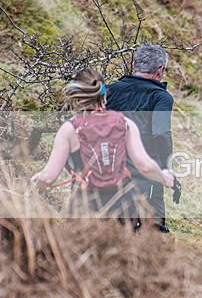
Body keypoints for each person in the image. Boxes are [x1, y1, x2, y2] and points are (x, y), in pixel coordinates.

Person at [31, 69, 175, 221]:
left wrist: (36, 182)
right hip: (123, 206)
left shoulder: (69, 129)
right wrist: (164, 177)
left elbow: (48, 178)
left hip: (84, 208)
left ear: (76, 98)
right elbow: (145, 165)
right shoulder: (125, 124)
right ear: (105, 94)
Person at [106, 44, 174, 233]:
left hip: (105, 175)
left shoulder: (109, 91)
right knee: (153, 237)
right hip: (145, 179)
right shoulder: (161, 97)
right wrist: (167, 167)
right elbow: (161, 133)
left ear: (133, 64)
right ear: (160, 70)